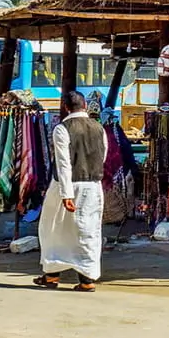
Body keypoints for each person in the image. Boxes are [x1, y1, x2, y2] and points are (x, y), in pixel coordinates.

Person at [34, 91, 106, 292]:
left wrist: (66, 194)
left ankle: (52, 276)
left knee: (53, 230)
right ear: (84, 105)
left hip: (66, 186)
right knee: (88, 232)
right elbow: (103, 156)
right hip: (93, 186)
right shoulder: (99, 128)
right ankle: (87, 279)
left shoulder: (62, 129)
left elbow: (63, 163)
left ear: (65, 106)